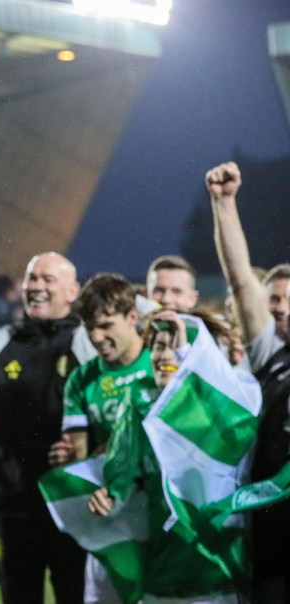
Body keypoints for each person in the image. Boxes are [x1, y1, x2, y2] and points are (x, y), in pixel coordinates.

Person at [0, 252, 96, 604]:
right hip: (12, 503)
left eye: (48, 279)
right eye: (32, 279)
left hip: (74, 501)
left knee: (76, 595)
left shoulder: (87, 342)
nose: (37, 287)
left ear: (73, 291)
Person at [86, 308, 247, 603]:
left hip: (214, 573)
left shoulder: (225, 408)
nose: (165, 356)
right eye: (159, 346)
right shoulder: (140, 402)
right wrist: (111, 497)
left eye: (177, 347)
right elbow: (122, 475)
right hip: (161, 572)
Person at [205, 161, 290, 602]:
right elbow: (240, 279)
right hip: (273, 532)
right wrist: (224, 203)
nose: (279, 309)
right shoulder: (271, 355)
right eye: (273, 299)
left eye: (289, 300)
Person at [49, 273, 154, 604]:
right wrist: (71, 461)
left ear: (132, 316)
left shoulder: (161, 363)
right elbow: (79, 454)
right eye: (90, 327)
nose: (97, 336)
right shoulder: (82, 379)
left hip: (160, 515)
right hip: (110, 516)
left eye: (106, 325)